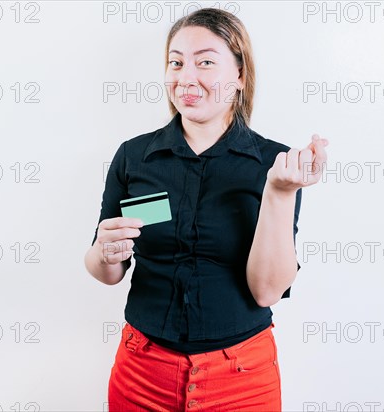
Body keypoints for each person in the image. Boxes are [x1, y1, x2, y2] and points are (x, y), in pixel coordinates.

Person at [84, 7, 328, 411]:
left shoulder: (276, 165)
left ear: (240, 76)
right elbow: (106, 271)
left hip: (243, 380)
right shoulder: (133, 157)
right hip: (142, 375)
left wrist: (280, 193)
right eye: (176, 63)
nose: (186, 78)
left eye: (206, 62)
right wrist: (103, 253)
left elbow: (267, 291)